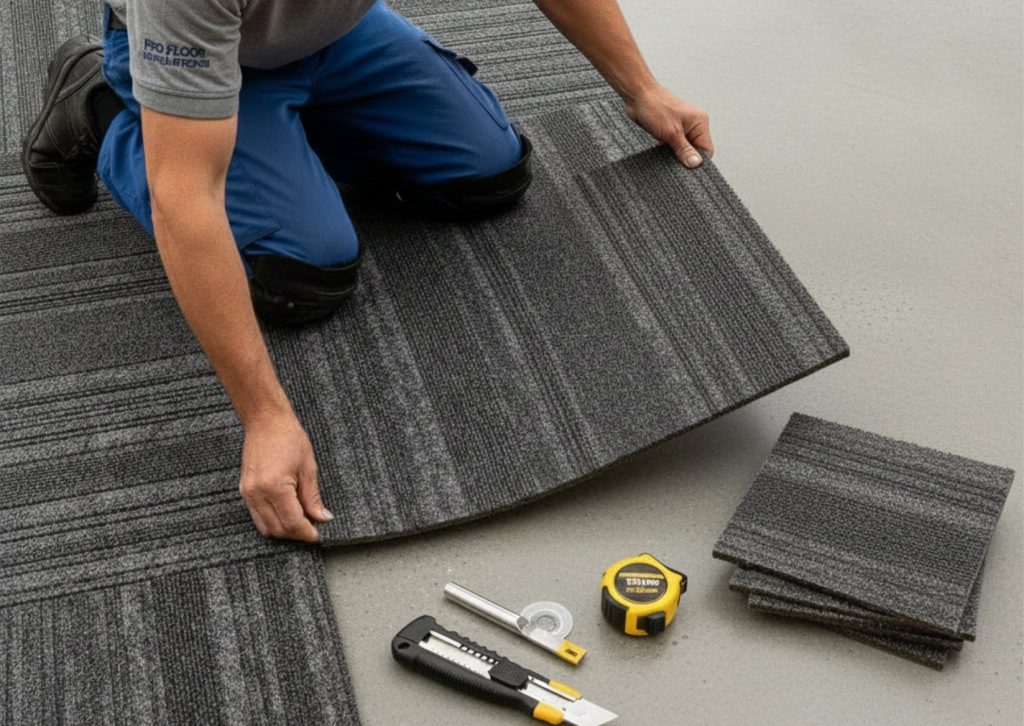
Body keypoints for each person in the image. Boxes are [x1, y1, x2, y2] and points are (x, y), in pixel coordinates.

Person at [22, 0, 714, 543]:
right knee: (302, 273)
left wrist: (641, 88)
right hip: (214, 50)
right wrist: (264, 417)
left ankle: (283, 141)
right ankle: (104, 108)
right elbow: (186, 199)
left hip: (333, 30)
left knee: (489, 177)